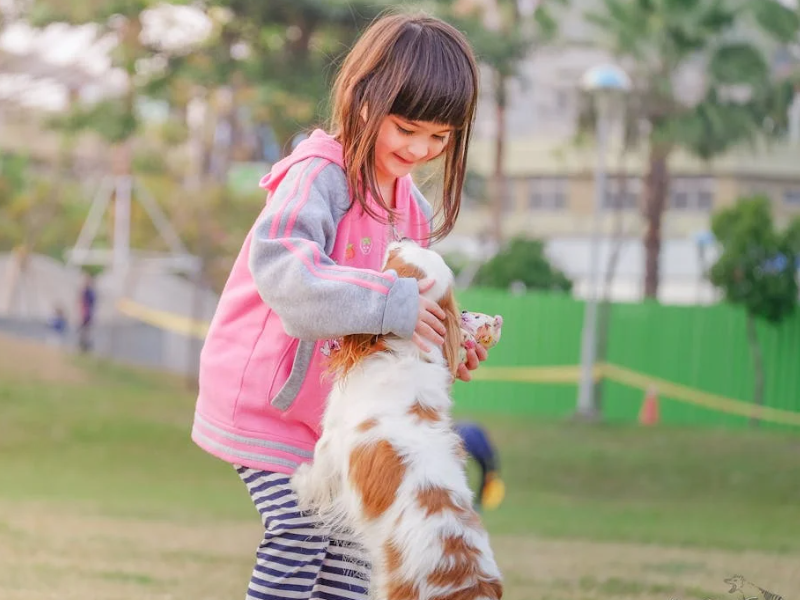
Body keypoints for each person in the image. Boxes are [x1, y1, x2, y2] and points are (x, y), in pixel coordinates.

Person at [191, 11, 484, 600]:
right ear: (363, 97)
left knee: (355, 547)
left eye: (439, 137)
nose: (421, 149)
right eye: (407, 128)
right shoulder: (319, 176)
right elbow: (286, 276)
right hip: (269, 405)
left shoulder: (412, 213)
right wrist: (398, 304)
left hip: (343, 416)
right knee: (300, 528)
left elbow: (399, 315)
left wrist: (448, 334)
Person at [455, 421, 506, 511]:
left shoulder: (480, 448)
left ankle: (478, 503)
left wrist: (493, 471)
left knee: (487, 474)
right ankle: (465, 502)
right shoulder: (456, 441)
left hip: (473, 441)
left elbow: (489, 460)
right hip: (462, 439)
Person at [77, 272, 96, 353]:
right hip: (84, 314)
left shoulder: (90, 292)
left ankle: (85, 347)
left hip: (87, 315)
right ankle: (83, 347)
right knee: (83, 331)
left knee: (86, 332)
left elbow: (92, 303)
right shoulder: (86, 292)